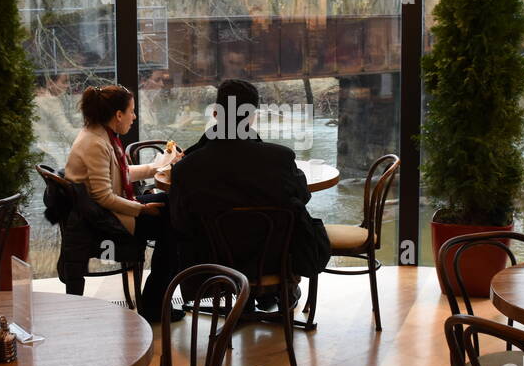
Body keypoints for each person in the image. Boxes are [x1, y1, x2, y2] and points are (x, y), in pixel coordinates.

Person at [170, 79, 331, 310]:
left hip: (214, 265)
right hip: (274, 262)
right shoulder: (279, 158)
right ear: (252, 116)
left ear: (215, 113)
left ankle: (243, 302)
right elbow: (303, 197)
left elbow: (180, 222)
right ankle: (278, 291)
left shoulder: (187, 167)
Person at [64, 85, 182, 321]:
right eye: (132, 111)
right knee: (174, 225)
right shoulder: (96, 144)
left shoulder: (98, 134)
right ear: (118, 115)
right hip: (100, 220)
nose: (134, 117)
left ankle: (155, 300)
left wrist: (155, 167)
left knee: (172, 205)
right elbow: (103, 197)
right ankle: (154, 303)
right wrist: (141, 208)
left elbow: (119, 174)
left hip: (100, 211)